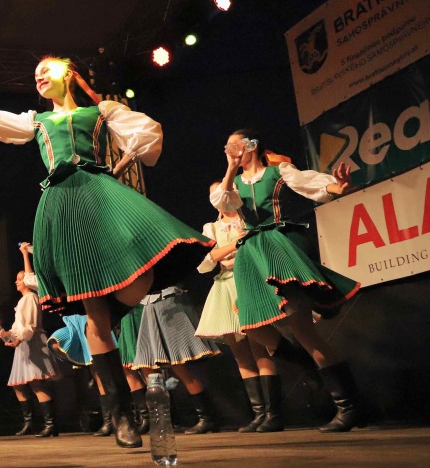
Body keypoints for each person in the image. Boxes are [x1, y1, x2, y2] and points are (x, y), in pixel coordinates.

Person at [0, 55, 212, 448]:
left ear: (67, 74)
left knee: (137, 277)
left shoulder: (100, 113)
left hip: (100, 194)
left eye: (46, 70)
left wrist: (118, 155)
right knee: (95, 319)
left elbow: (147, 136)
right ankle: (122, 418)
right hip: (62, 204)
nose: (39, 77)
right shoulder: (37, 121)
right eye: (35, 74)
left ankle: (117, 311)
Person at [212, 129, 362, 432]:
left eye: (234, 144)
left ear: (252, 145)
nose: (229, 149)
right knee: (250, 324)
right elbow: (224, 204)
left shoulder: (277, 172)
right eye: (226, 146)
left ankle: (349, 406)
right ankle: (306, 364)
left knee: (302, 328)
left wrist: (337, 187)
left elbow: (311, 184)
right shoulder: (234, 183)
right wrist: (230, 168)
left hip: (278, 247)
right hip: (251, 253)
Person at [196, 183, 282, 433]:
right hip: (225, 286)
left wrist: (224, 252)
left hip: (248, 280)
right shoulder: (211, 228)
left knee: (259, 346)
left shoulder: (248, 220)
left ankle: (273, 414)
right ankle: (259, 413)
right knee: (239, 352)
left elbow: (254, 246)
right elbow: (206, 261)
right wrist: (235, 245)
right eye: (215, 193)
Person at [131, 286, 222, 434]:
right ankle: (161, 418)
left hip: (167, 301)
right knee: (149, 363)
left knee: (178, 363)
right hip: (150, 303)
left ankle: (207, 417)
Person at [0, 243, 61, 437]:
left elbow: (29, 326)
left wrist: (18, 339)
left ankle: (50, 423)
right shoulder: (23, 300)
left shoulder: (31, 297)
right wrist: (7, 334)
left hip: (32, 342)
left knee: (37, 382)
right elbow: (19, 326)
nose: (17, 282)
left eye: (20, 279)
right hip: (24, 343)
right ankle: (29, 422)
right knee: (19, 384)